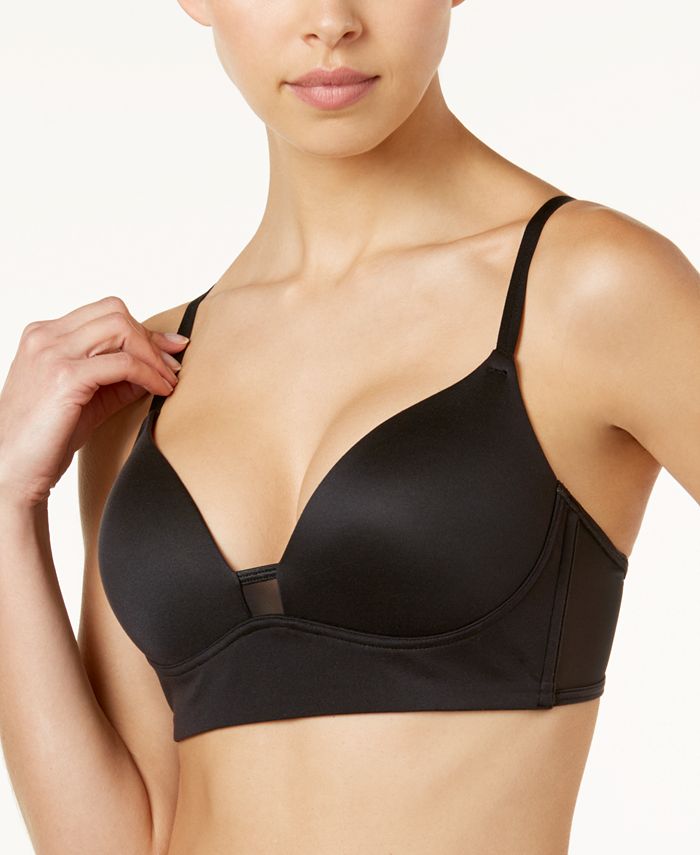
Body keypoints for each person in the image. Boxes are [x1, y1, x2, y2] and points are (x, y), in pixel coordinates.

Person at [0, 2, 697, 854]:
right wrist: (7, 503)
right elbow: (113, 843)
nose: (330, 20)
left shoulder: (592, 289)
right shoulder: (143, 381)